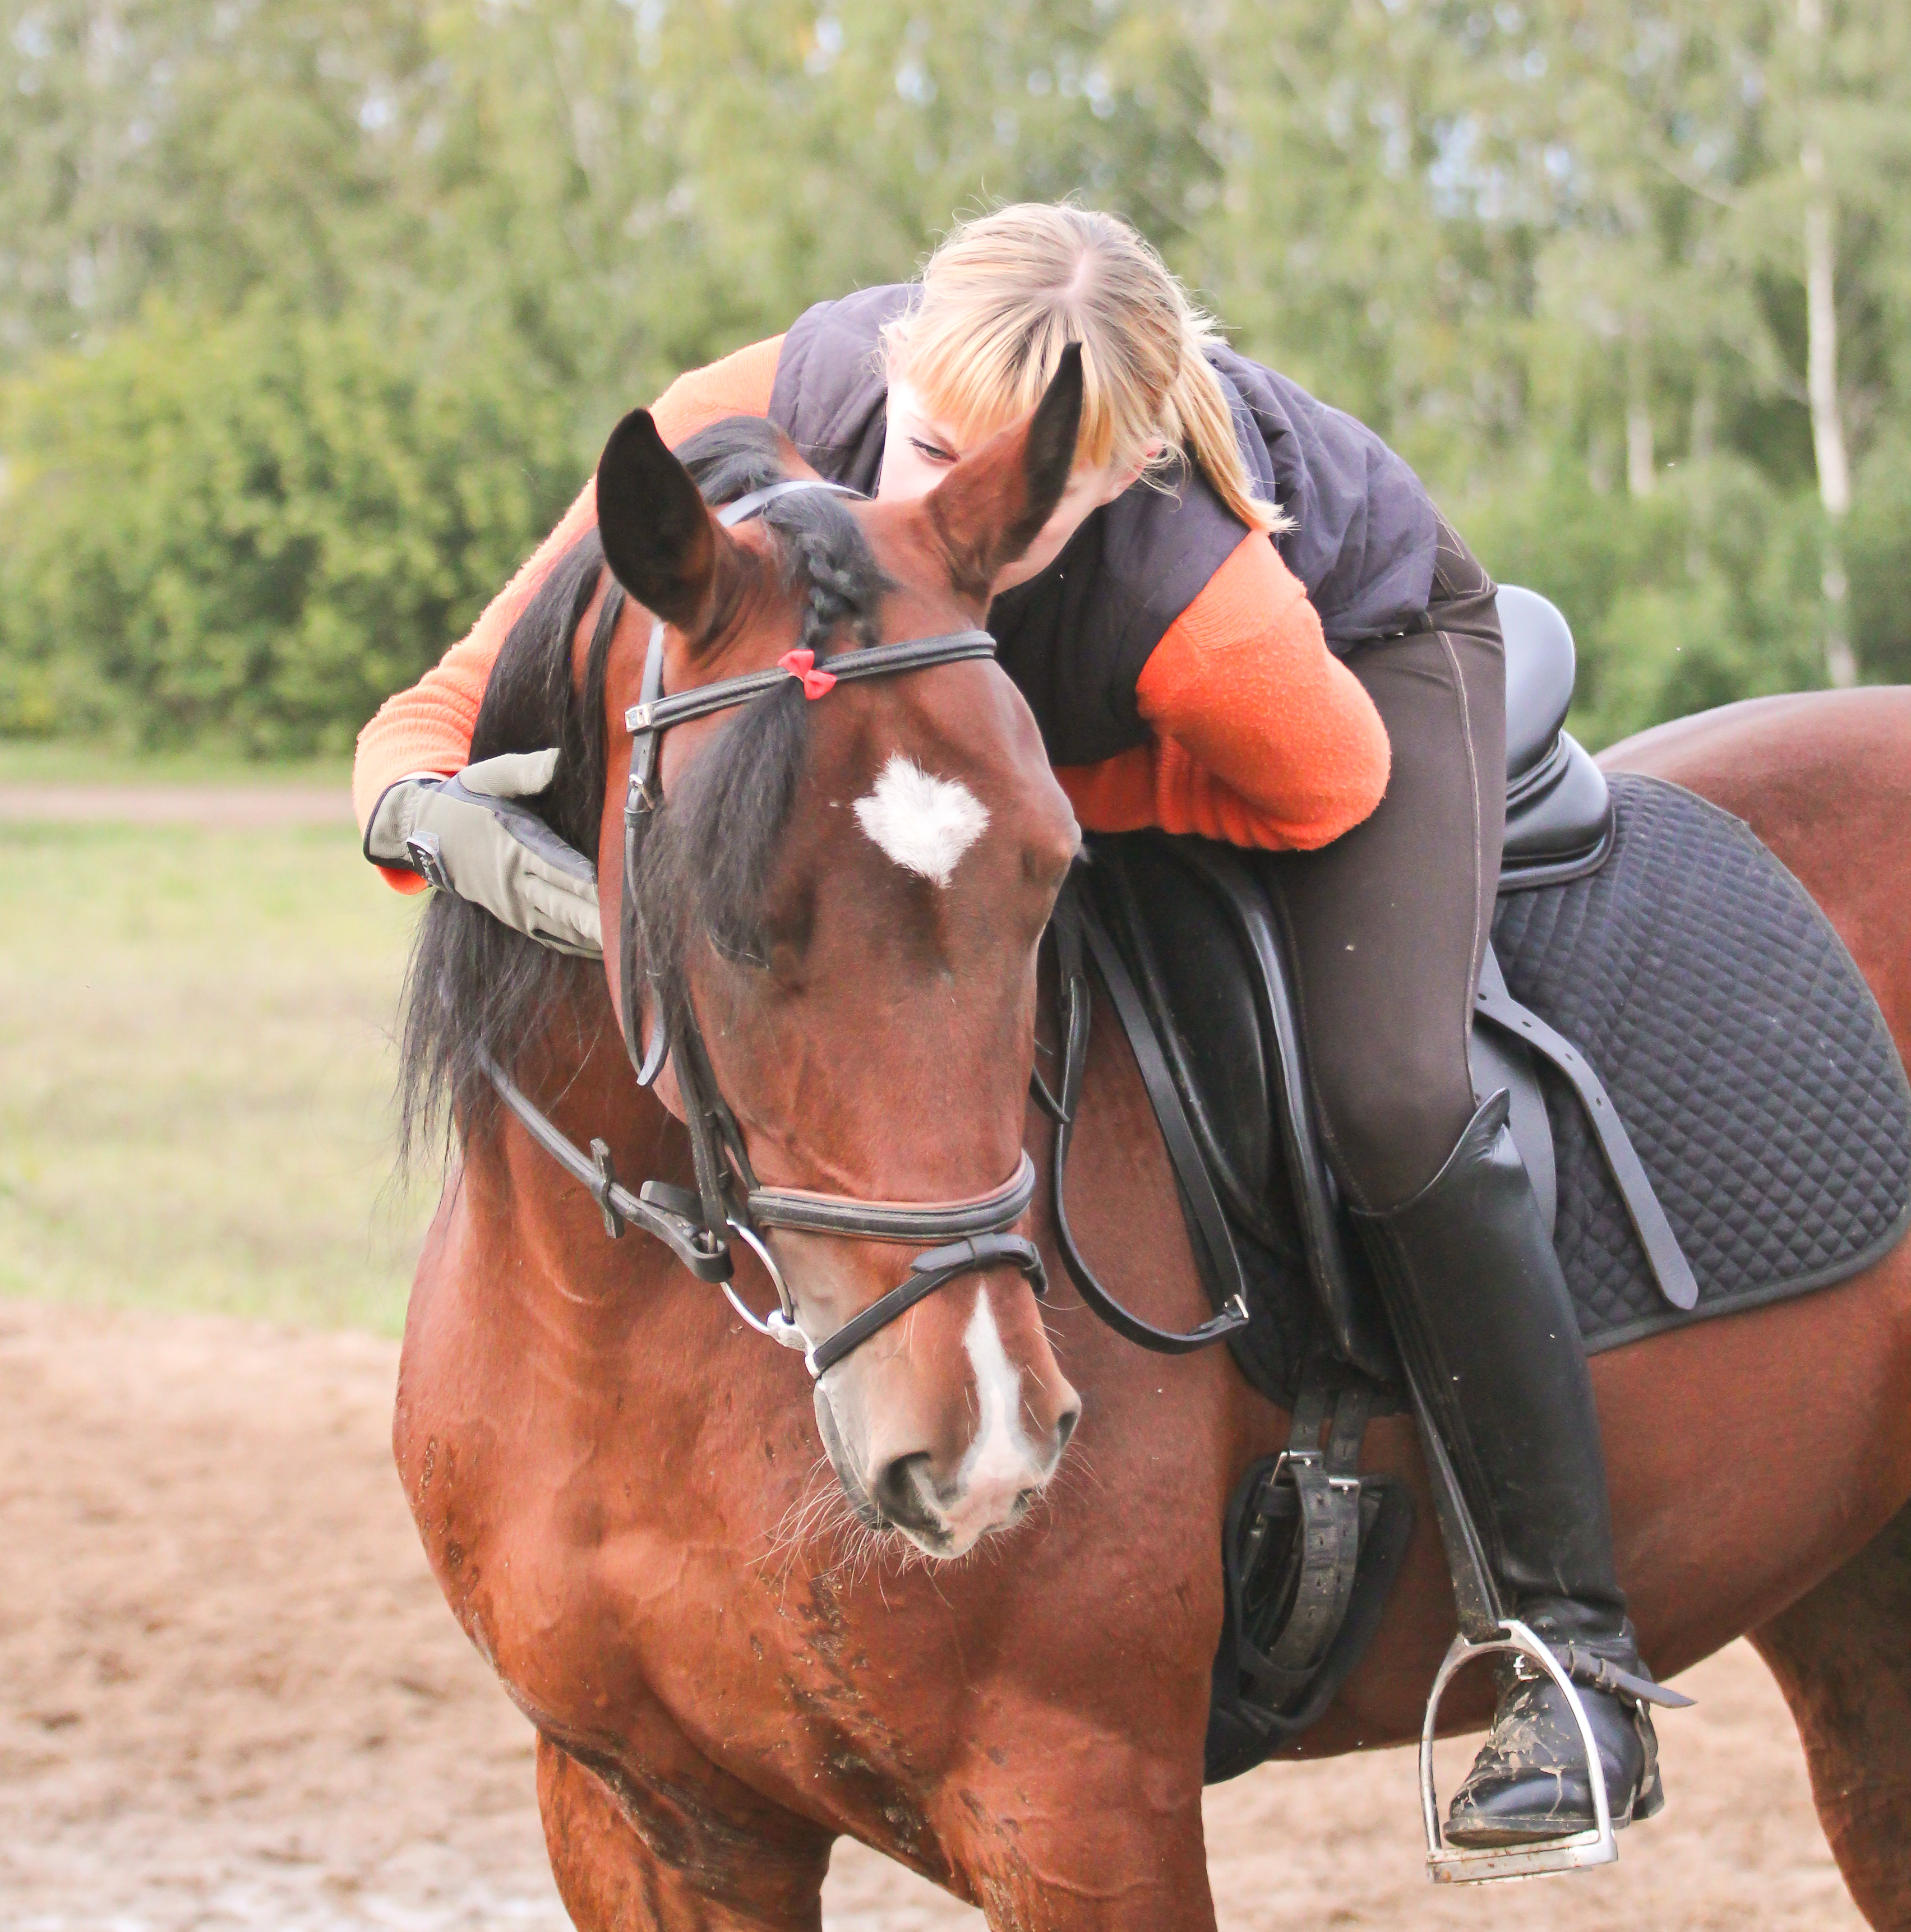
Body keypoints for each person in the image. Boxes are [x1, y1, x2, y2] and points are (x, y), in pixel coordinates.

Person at [355, 202, 1665, 1847]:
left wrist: (985, 819)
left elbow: (1321, 789)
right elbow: (440, 705)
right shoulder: (769, 401)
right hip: (978, 721)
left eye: (1022, 496)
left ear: (1118, 478)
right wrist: (412, 807)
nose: (938, 496)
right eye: (922, 446)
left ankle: (1570, 1650)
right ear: (892, 365)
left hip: (1361, 690)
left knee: (1396, 1091)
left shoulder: (1193, 597)